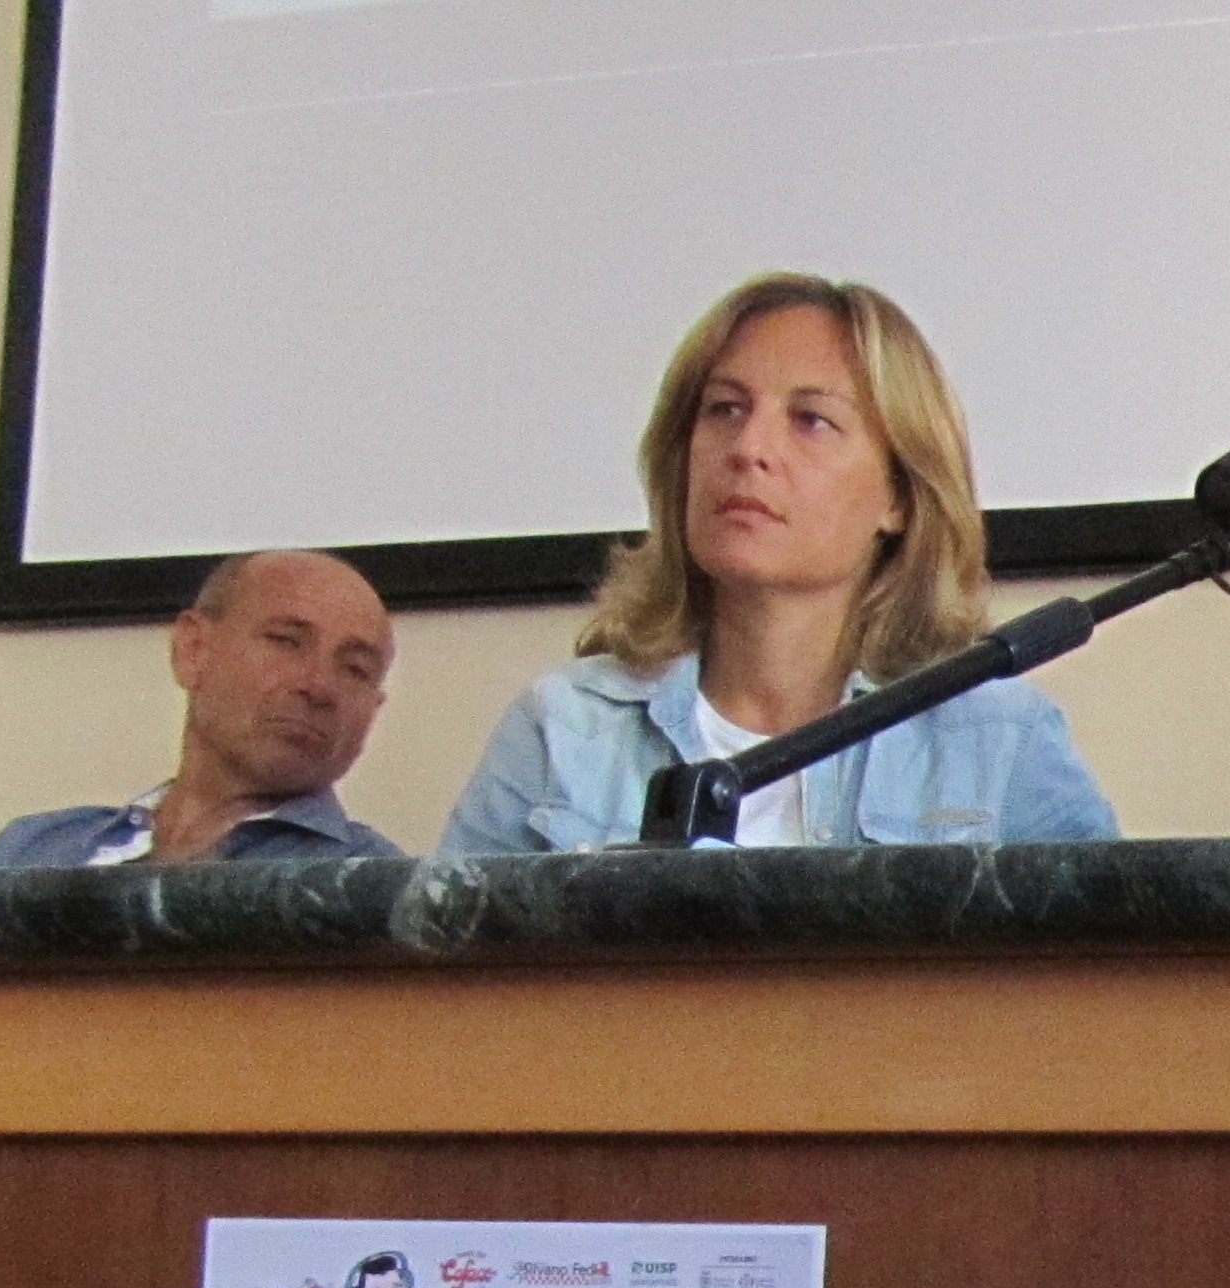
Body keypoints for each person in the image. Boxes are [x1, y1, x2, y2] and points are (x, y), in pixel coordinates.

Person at [437, 274, 1116, 855]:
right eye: (724, 409)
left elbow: (1109, 968)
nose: (748, 447)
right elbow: (446, 966)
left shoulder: (996, 741)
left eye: (811, 420)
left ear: (900, 496)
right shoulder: (564, 728)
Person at [0, 552, 399, 865]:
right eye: (286, 641)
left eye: (356, 669)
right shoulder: (33, 850)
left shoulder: (374, 887)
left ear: (374, 712)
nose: (318, 686)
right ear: (193, 649)